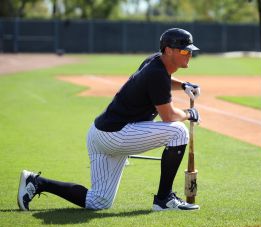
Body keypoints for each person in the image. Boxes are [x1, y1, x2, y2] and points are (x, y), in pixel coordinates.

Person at [17, 28, 202, 211]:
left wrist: (183, 84)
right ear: (168, 50)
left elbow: (163, 80)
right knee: (179, 131)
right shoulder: (157, 72)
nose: (189, 54)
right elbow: (168, 116)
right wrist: (189, 113)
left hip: (99, 134)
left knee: (99, 201)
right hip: (117, 135)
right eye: (185, 50)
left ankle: (36, 182)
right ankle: (164, 199)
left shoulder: (155, 61)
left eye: (190, 51)